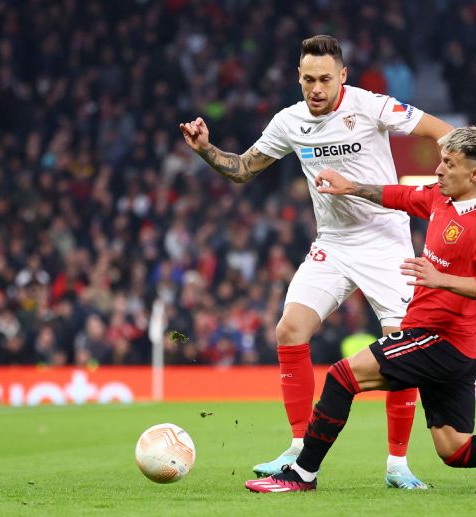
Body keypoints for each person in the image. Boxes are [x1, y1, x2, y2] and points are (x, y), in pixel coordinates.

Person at [245, 127, 476, 493]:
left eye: (449, 164)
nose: (438, 170)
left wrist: (441, 278)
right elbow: (400, 195)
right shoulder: (441, 199)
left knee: (342, 377)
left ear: (475, 175)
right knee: (455, 449)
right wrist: (351, 186)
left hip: (439, 339)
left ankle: (301, 475)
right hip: (458, 349)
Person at [179, 35, 453, 489]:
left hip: (385, 241)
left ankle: (397, 464)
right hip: (334, 243)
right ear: (298, 78)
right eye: (308, 79)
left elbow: (440, 130)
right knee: (289, 329)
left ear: (343, 76)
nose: (317, 88)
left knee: (399, 348)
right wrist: (207, 150)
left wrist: (449, 173)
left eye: (325, 78)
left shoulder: (371, 106)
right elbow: (244, 168)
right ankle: (299, 445)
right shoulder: (289, 121)